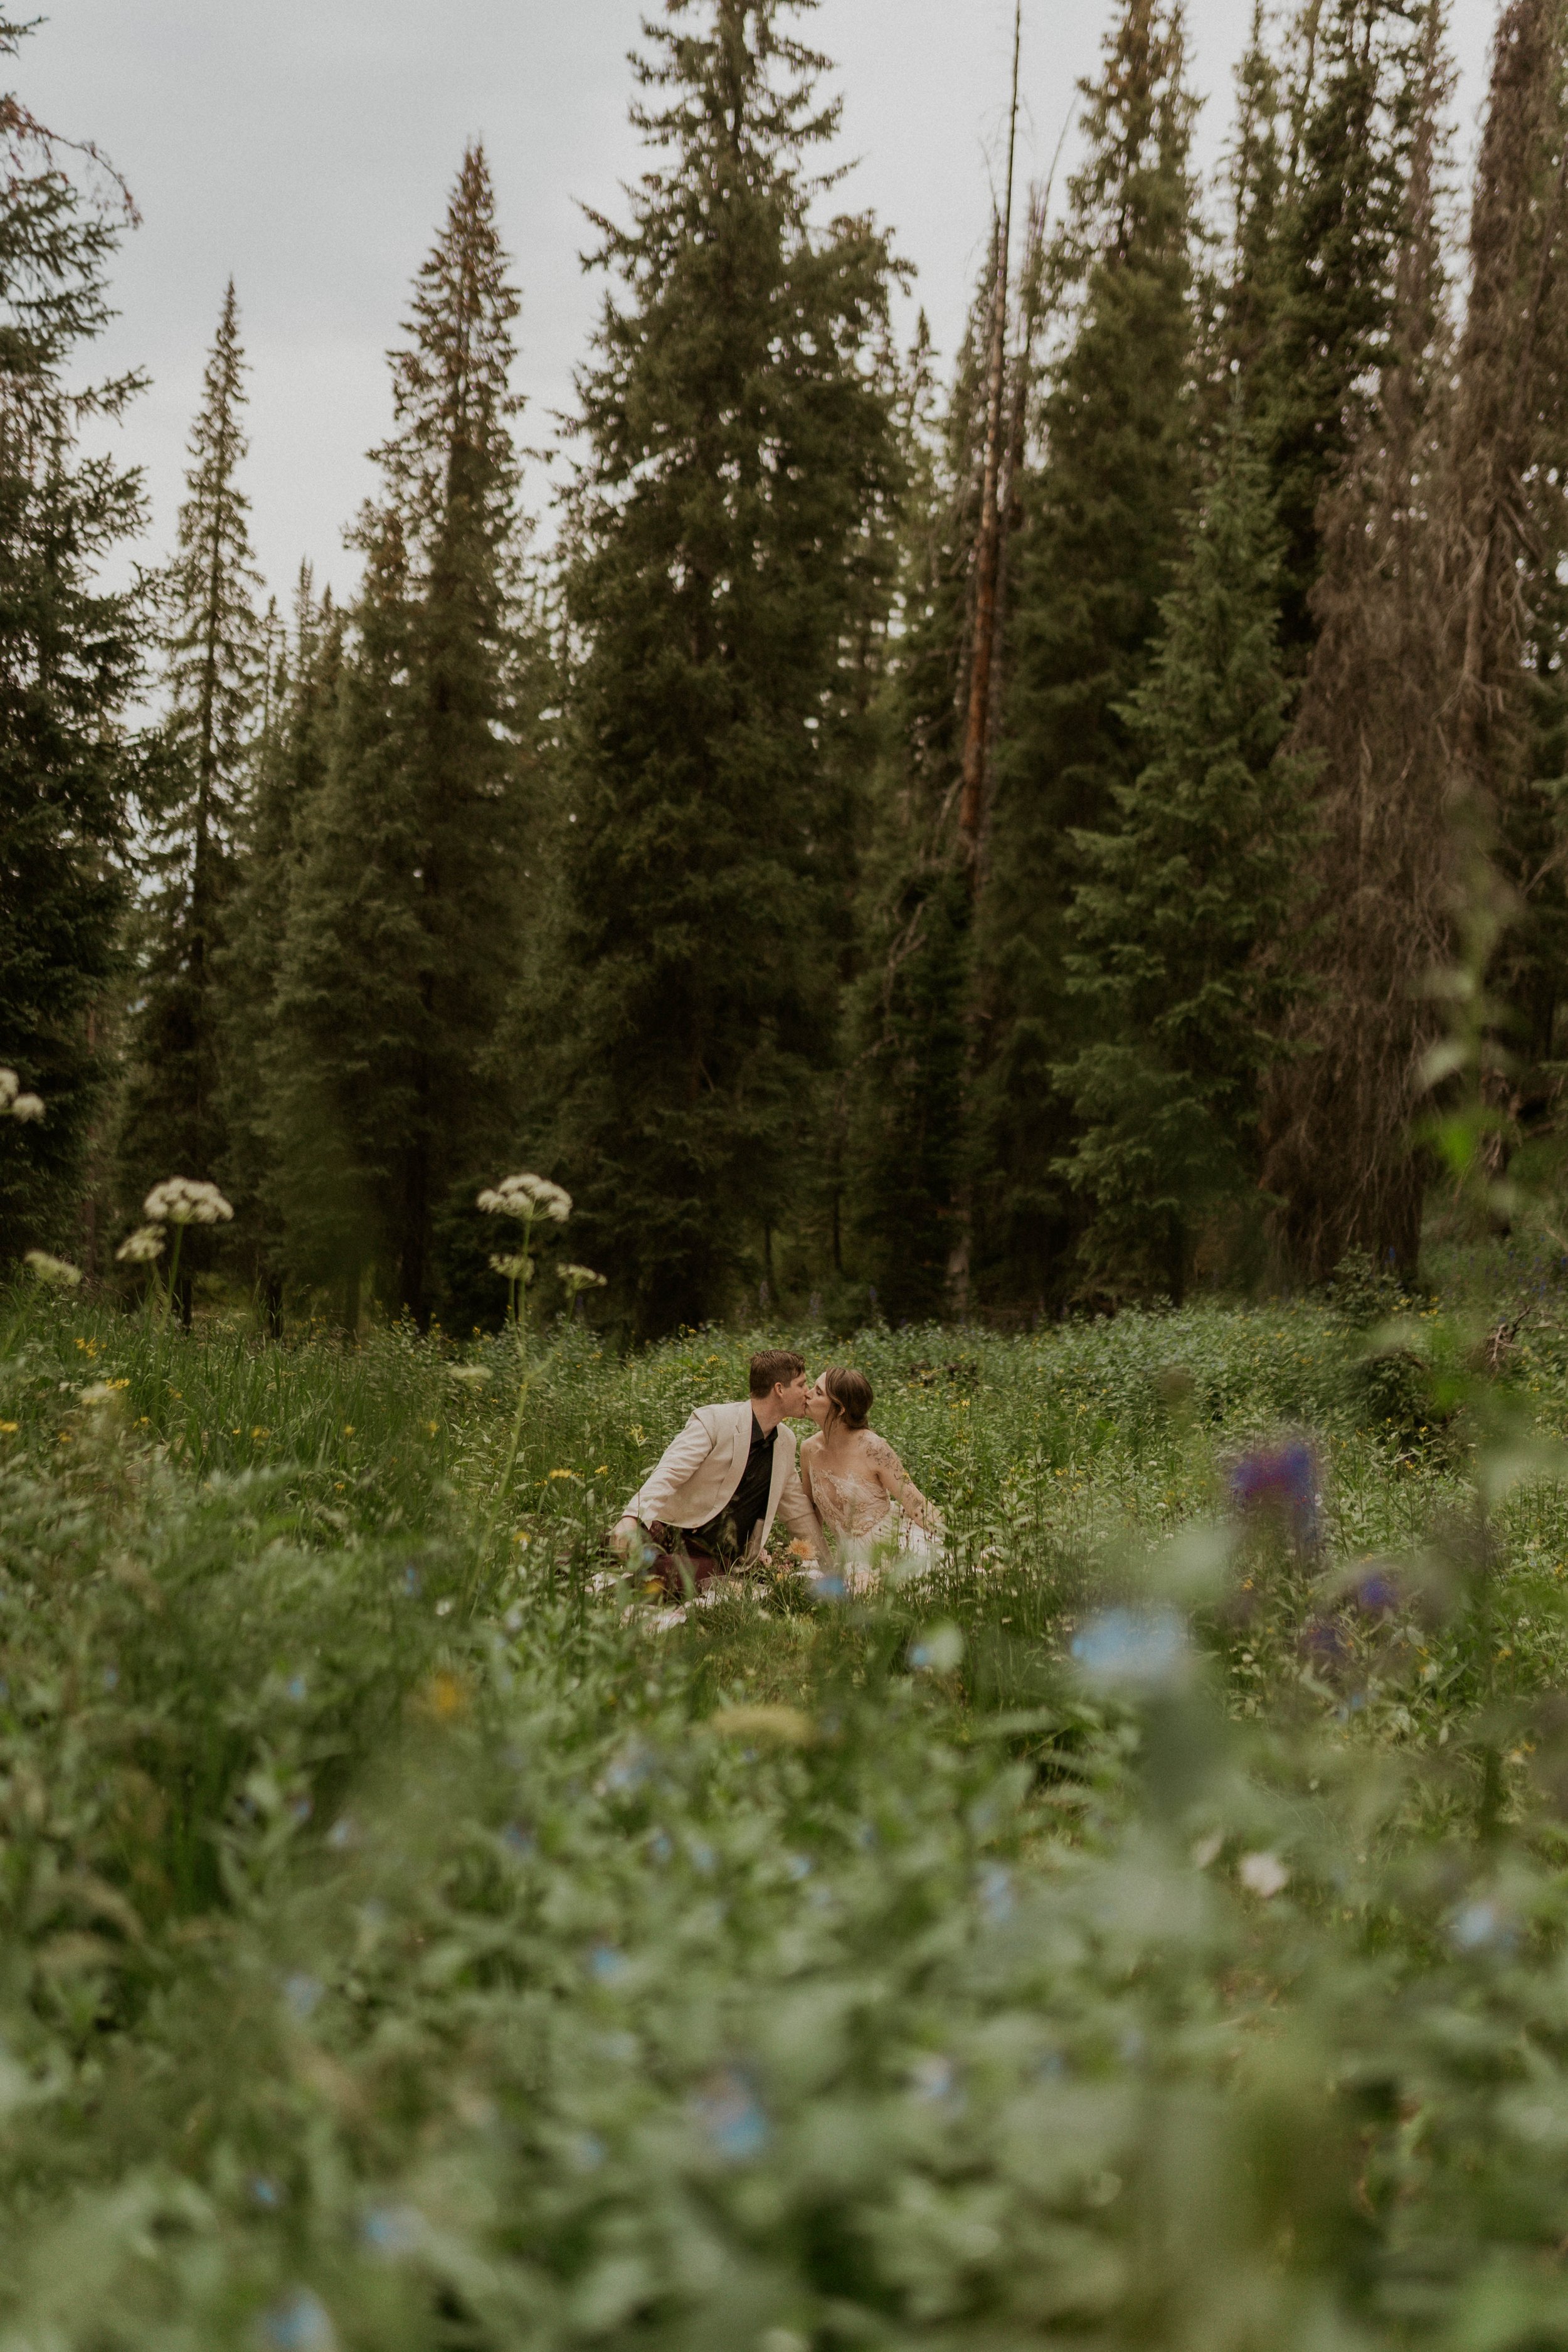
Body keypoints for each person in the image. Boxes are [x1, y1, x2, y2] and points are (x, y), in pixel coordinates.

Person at [611, 1348, 828, 1596]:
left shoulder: (786, 1442)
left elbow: (797, 1513)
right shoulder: (714, 1420)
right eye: (802, 1385)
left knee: (684, 1572)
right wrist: (631, 1517)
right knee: (606, 1547)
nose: (808, 1393)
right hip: (675, 1529)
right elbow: (670, 1473)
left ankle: (630, 1578)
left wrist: (831, 1570)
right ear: (779, 1389)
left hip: (715, 1557)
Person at [799, 1366, 943, 1584]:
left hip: (892, 1542)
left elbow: (916, 1504)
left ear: (840, 1410)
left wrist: (957, 1544)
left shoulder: (872, 1447)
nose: (807, 1393)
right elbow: (811, 1513)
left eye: (818, 1392)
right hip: (850, 1556)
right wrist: (812, 1558)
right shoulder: (809, 1449)